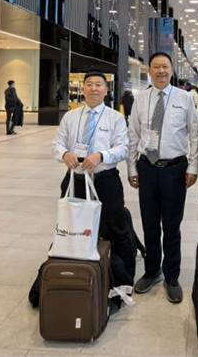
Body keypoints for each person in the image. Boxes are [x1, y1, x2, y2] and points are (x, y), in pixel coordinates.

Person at [52, 71, 135, 316]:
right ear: (83, 88)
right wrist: (64, 154)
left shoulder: (115, 117)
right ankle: (78, 273)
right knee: (72, 227)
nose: (94, 88)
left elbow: (123, 147)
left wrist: (101, 156)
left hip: (105, 180)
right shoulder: (71, 116)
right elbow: (57, 143)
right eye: (89, 84)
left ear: (106, 90)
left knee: (116, 228)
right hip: (75, 179)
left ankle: (123, 281)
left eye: (99, 84)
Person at [127, 52, 198, 304]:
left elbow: (194, 134)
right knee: (149, 224)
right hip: (146, 167)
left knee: (171, 226)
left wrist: (193, 167)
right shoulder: (140, 99)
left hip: (174, 169)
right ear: (150, 70)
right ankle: (151, 271)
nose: (161, 71)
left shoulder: (184, 98)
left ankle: (172, 276)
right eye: (156, 67)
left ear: (171, 70)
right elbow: (133, 135)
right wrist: (132, 168)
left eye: (165, 66)